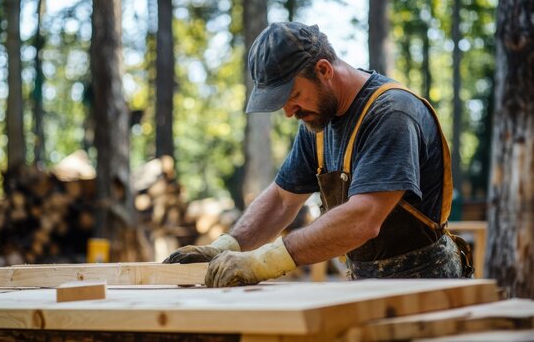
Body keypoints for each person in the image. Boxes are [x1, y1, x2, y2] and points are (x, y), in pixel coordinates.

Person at [164, 22, 472, 287]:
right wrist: (226, 246)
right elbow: (283, 199)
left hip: (427, 286)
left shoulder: (391, 113)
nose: (288, 112)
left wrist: (263, 262)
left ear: (323, 70)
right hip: (366, 286)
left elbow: (363, 218)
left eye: (293, 96)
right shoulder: (318, 122)